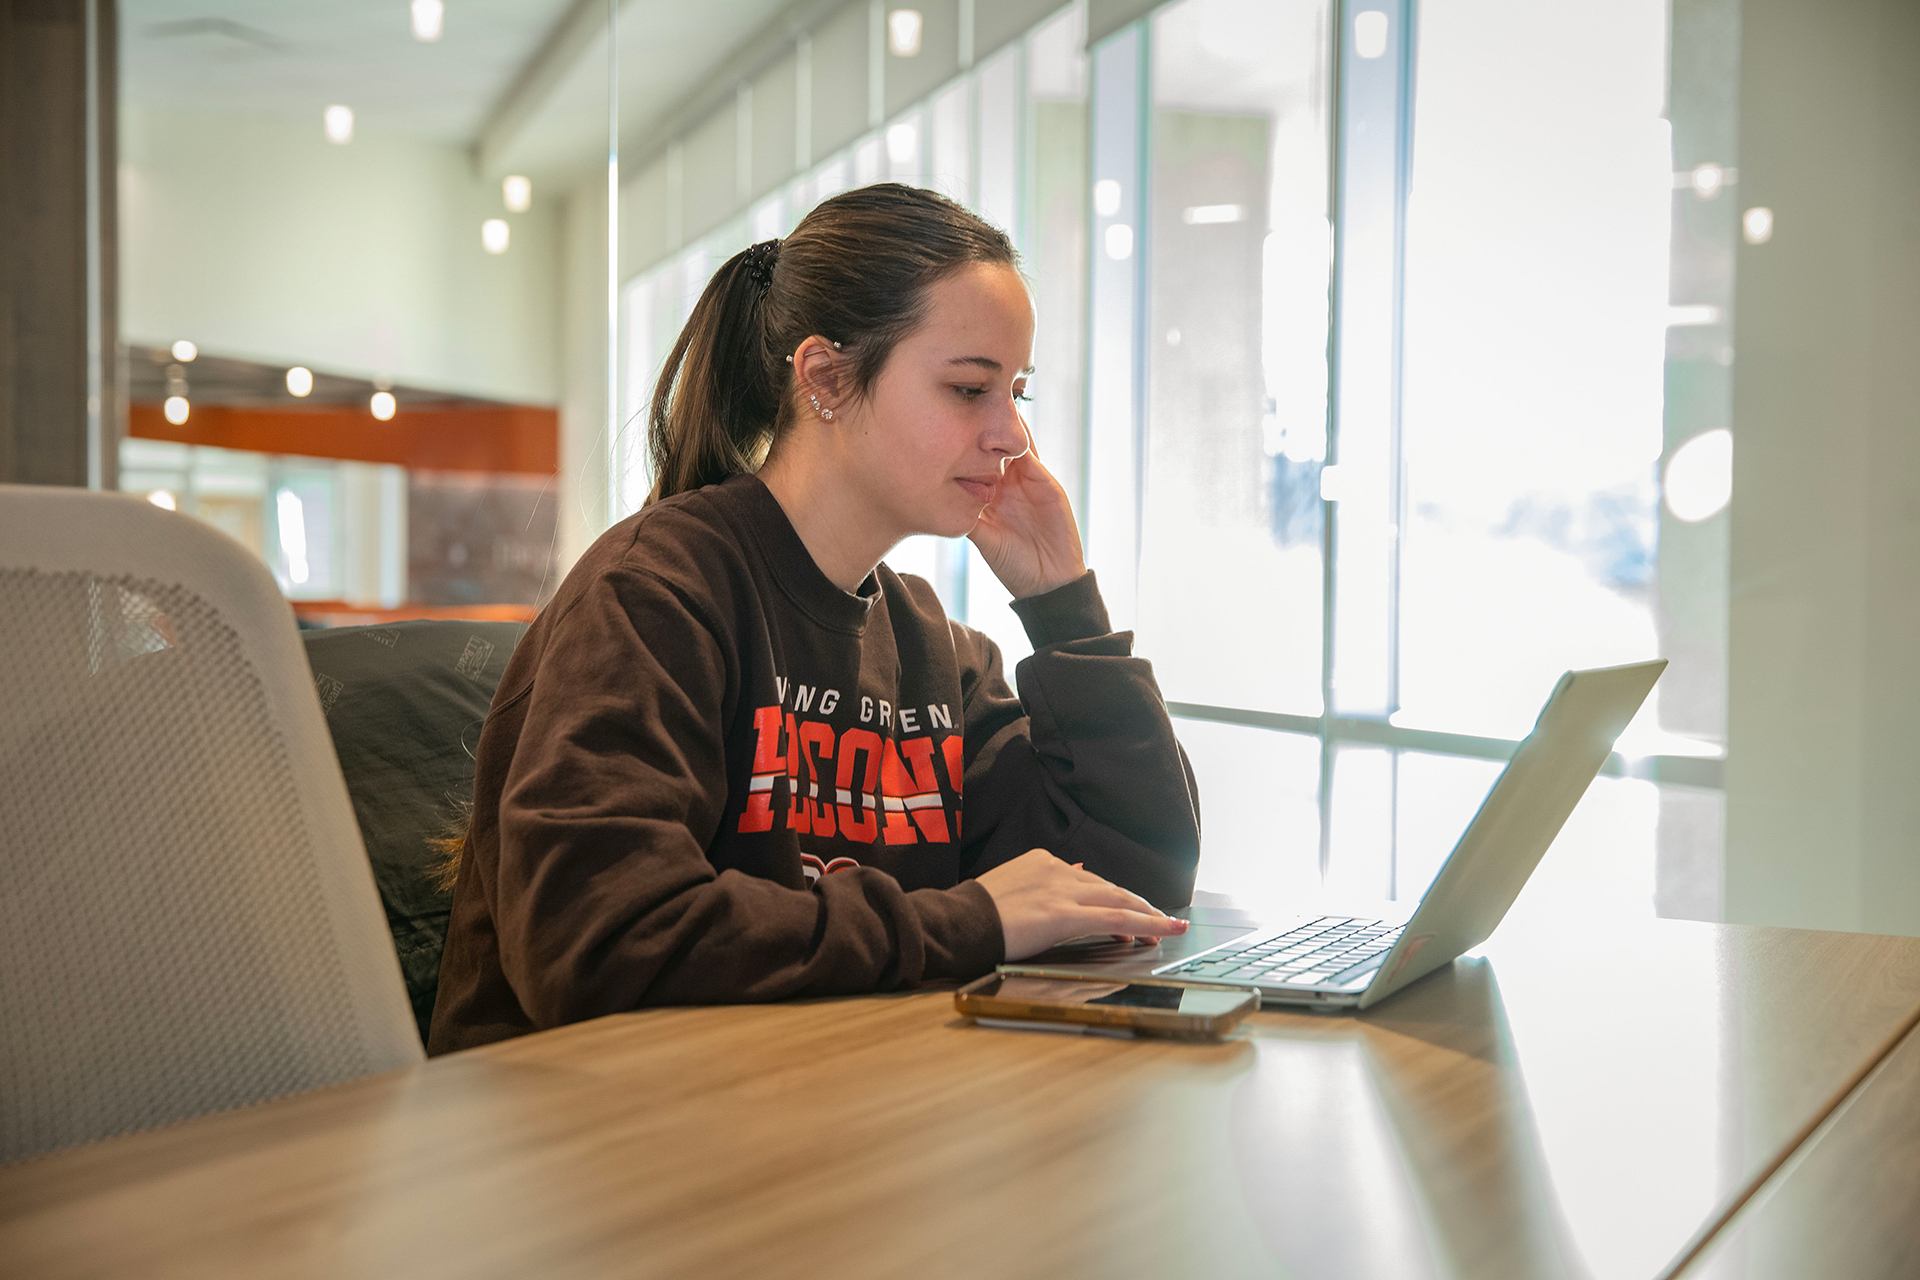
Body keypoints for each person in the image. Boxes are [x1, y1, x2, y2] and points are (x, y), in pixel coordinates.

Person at [428, 183, 1201, 1054]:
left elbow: (1140, 880)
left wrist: (1065, 611)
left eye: (1016, 391)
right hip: (580, 1132)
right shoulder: (654, 592)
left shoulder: (930, 648)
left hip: (803, 1102)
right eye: (969, 388)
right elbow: (597, 939)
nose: (1012, 435)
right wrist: (966, 923)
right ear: (825, 378)